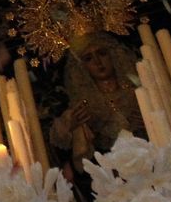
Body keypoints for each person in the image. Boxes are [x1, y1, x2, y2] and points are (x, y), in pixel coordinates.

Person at [49, 32, 143, 160]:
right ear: (81, 67)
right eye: (88, 58)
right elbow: (61, 138)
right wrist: (72, 126)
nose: (98, 62)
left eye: (102, 53)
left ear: (113, 55)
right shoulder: (83, 108)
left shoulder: (138, 94)